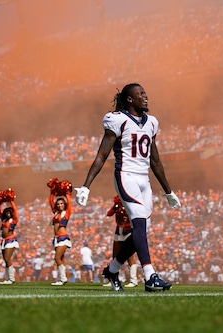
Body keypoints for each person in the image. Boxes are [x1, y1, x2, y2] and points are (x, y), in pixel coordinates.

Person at [75, 83, 181, 292]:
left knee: (141, 230)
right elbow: (102, 155)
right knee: (139, 223)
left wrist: (169, 191)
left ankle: (112, 270)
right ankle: (150, 276)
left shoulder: (151, 123)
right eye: (140, 93)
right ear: (130, 99)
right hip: (126, 176)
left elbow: (156, 161)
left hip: (144, 180)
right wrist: (86, 186)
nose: (146, 96)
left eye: (146, 93)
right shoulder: (117, 120)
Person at [106, 195, 139, 288]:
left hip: (128, 230)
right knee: (115, 255)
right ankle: (113, 278)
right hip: (119, 231)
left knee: (130, 256)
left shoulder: (130, 205)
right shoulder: (117, 205)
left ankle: (133, 280)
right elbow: (109, 213)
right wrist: (115, 207)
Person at [47, 178, 72, 286]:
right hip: (56, 238)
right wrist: (52, 191)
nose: (59, 205)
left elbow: (69, 201)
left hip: (63, 238)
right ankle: (62, 278)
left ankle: (62, 279)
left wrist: (66, 192)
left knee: (57, 257)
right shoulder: (56, 213)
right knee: (61, 258)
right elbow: (50, 201)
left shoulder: (66, 213)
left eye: (62, 203)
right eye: (58, 204)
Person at [0, 188, 19, 284]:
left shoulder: (14, 220)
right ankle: (8, 278)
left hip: (11, 240)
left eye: (9, 212)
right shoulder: (3, 220)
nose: (8, 214)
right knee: (5, 259)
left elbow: (15, 210)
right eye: (6, 212)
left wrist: (11, 201)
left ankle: (11, 279)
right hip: (4, 241)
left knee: (8, 258)